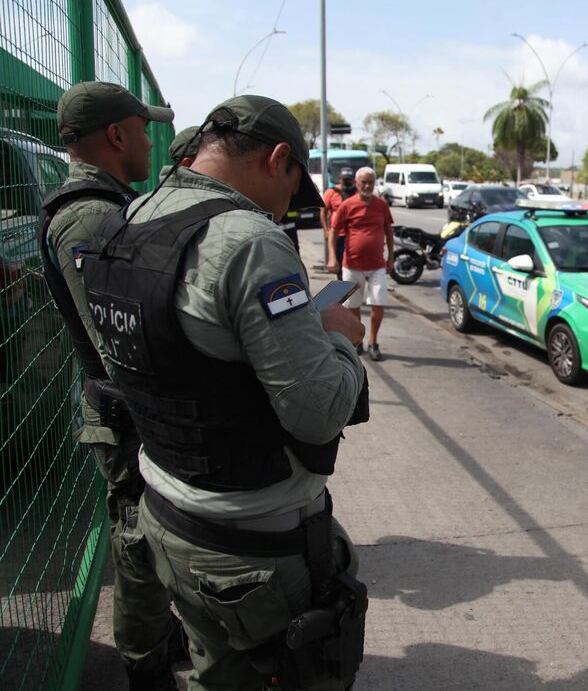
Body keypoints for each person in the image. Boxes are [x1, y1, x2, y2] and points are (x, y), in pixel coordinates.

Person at [83, 95, 370, 690]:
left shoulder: (129, 218)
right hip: (251, 545)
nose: (287, 209)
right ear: (278, 158)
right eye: (293, 189)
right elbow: (317, 412)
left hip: (166, 507)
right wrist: (339, 339)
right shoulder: (247, 240)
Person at [39, 80, 184, 690]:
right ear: (116, 135)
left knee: (146, 540)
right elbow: (116, 337)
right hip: (126, 414)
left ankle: (158, 639)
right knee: (139, 546)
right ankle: (144, 662)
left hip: (129, 409)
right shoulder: (93, 215)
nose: (152, 141)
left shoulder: (106, 204)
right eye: (143, 128)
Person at [327, 167, 393, 362]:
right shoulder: (347, 205)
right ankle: (358, 341)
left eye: (370, 182)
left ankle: (374, 342)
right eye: (363, 182)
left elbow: (389, 231)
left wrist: (391, 257)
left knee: (378, 303)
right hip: (352, 265)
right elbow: (333, 230)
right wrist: (332, 257)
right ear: (356, 184)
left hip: (377, 265)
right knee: (353, 306)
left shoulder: (381, 205)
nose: (367, 185)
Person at [322, 168, 356, 281]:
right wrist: (326, 230)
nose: (347, 182)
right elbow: (323, 212)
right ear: (340, 179)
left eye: (349, 180)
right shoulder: (331, 192)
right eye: (345, 180)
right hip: (338, 234)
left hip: (354, 234)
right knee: (339, 263)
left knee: (354, 264)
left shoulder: (358, 192)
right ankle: (342, 284)